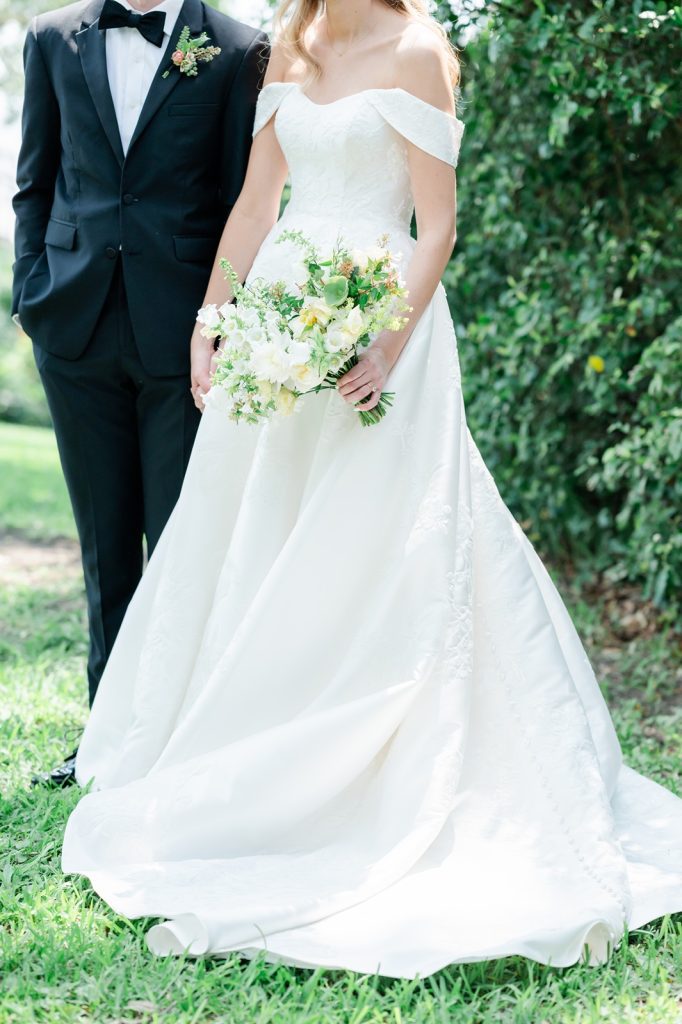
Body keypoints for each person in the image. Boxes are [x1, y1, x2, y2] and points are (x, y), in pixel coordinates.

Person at [60, 0, 682, 978]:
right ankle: (250, 725)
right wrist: (214, 314)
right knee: (258, 531)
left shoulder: (420, 48)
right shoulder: (289, 46)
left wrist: (386, 338)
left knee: (370, 539)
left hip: (379, 323)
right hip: (277, 321)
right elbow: (259, 204)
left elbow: (435, 222)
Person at [12, 0, 268, 787]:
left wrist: (222, 321)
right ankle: (104, 740)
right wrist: (33, 295)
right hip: (75, 328)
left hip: (183, 337)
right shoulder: (52, 37)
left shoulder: (237, 48)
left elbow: (241, 200)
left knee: (180, 544)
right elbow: (35, 180)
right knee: (105, 544)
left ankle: (175, 739)